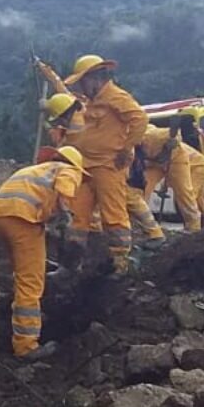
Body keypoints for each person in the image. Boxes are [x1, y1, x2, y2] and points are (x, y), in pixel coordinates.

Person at [0, 146, 88, 361]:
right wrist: (67, 220)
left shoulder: (36, 171)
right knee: (31, 282)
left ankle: (28, 316)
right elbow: (65, 189)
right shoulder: (68, 170)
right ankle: (26, 345)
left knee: (23, 273)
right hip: (23, 219)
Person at [53, 55, 148, 274]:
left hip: (108, 166)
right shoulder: (92, 101)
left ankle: (120, 264)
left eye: (83, 82)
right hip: (86, 167)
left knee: (113, 215)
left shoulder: (116, 96)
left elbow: (140, 119)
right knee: (78, 217)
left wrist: (126, 148)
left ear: (95, 78)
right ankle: (72, 264)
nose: (81, 87)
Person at [137, 125, 201, 233]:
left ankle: (193, 226)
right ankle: (140, 223)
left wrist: (172, 142)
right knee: (143, 189)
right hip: (153, 163)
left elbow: (175, 133)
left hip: (176, 159)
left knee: (184, 191)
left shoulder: (154, 135)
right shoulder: (130, 141)